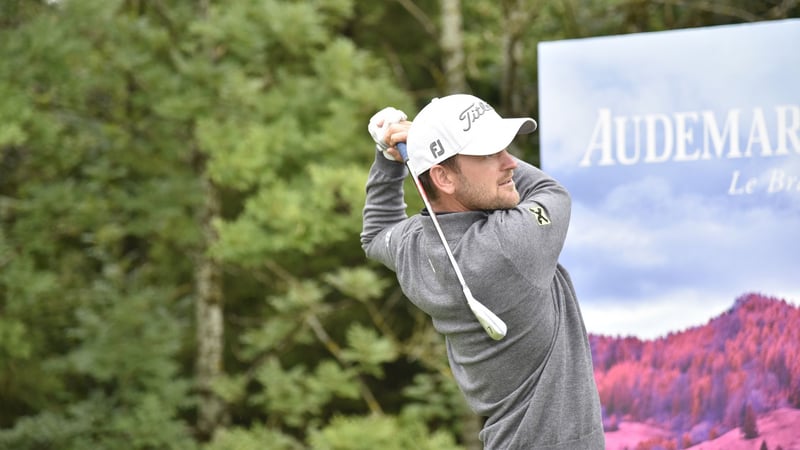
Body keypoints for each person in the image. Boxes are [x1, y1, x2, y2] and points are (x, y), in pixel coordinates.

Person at [360, 94, 604, 449]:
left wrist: (388, 160)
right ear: (443, 177)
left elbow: (376, 233)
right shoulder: (508, 247)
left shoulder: (414, 246)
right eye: (489, 154)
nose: (510, 163)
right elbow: (551, 191)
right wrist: (416, 143)